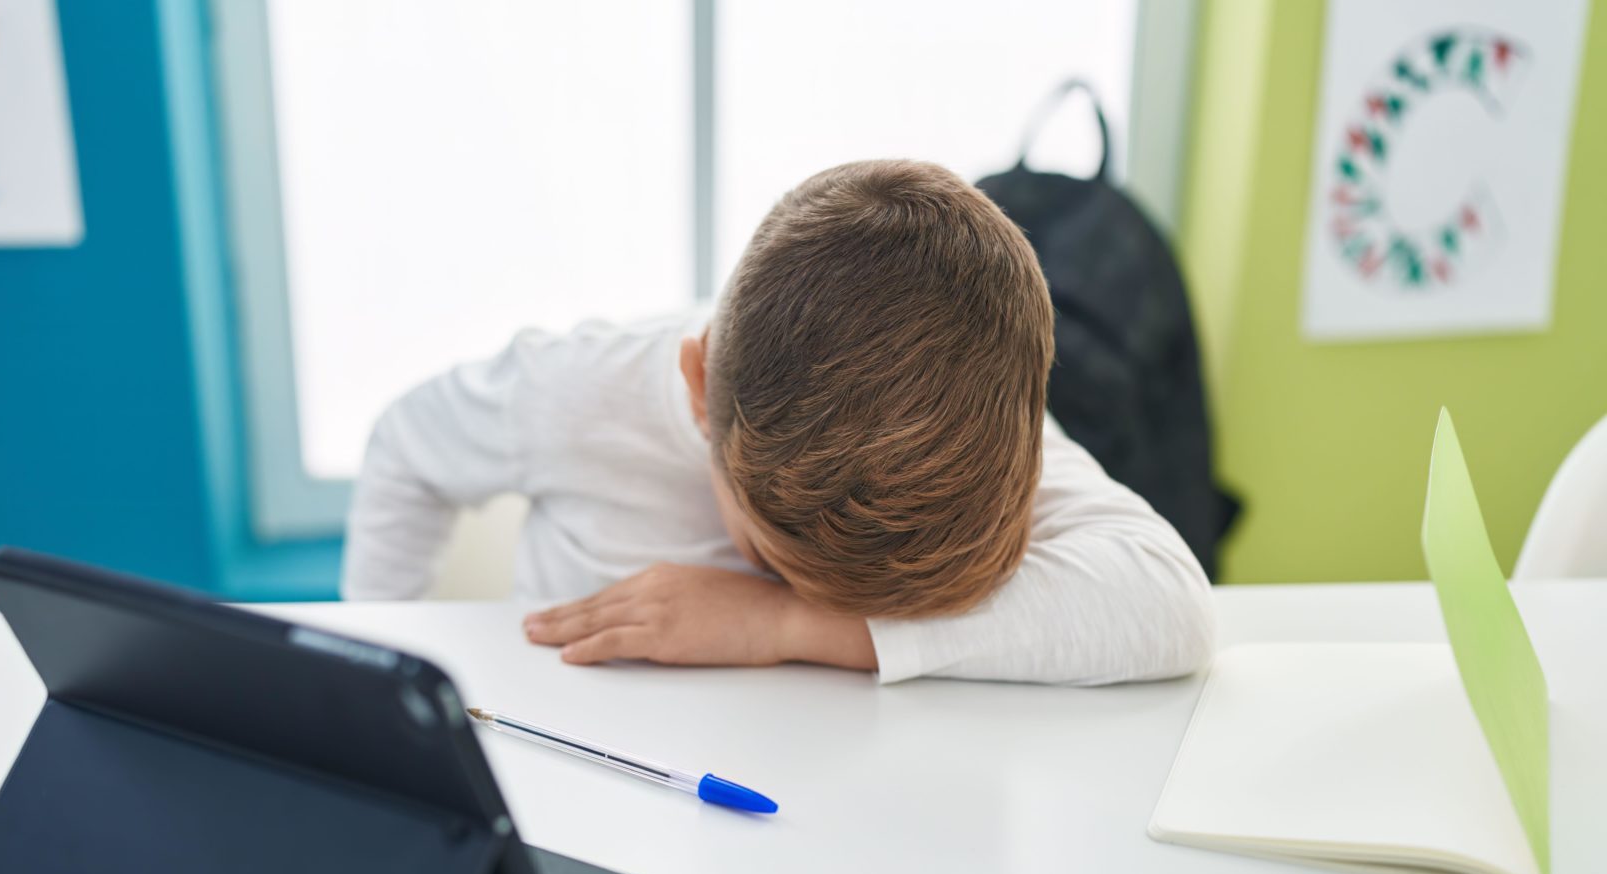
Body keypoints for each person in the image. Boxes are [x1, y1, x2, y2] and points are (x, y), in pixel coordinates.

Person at [342, 159, 1213, 685]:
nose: (800, 594)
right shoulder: (572, 394)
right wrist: (373, 666)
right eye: (773, 559)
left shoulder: (957, 418)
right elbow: (403, 451)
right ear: (697, 386)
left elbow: (1169, 604)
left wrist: (784, 623)